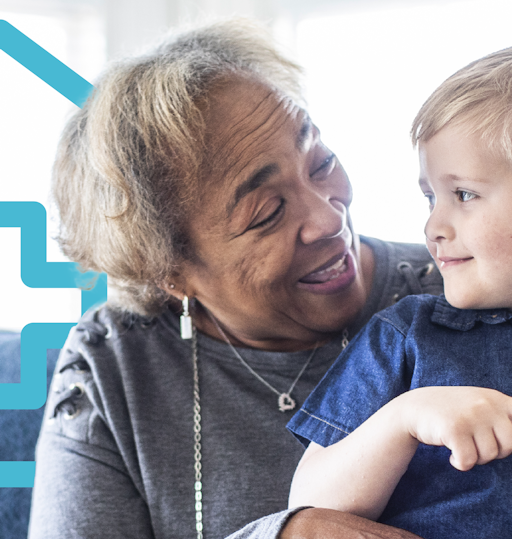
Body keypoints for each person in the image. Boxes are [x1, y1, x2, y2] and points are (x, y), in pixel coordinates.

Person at [28, 19, 442, 539]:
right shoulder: (113, 367)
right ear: (171, 274)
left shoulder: (464, 293)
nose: (329, 220)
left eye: (321, 162)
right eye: (267, 212)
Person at [287, 40, 512, 539]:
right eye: (430, 198)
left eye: (463, 194)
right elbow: (309, 511)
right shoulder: (406, 337)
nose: (434, 228)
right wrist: (403, 419)